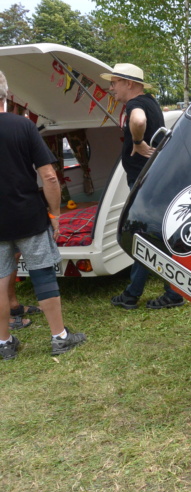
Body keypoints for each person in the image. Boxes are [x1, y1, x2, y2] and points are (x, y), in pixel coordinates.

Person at [0, 69, 87, 360]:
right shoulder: (22, 127)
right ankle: (59, 337)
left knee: (0, 280)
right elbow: (49, 177)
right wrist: (55, 214)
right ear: (5, 94)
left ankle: (4, 343)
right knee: (43, 275)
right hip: (28, 217)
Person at [101, 63, 185, 311]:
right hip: (153, 176)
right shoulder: (151, 101)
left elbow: (138, 121)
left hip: (141, 179)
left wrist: (137, 142)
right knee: (149, 233)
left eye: (114, 82)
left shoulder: (135, 105)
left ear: (129, 83)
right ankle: (158, 292)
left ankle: (141, 294)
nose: (111, 87)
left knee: (143, 233)